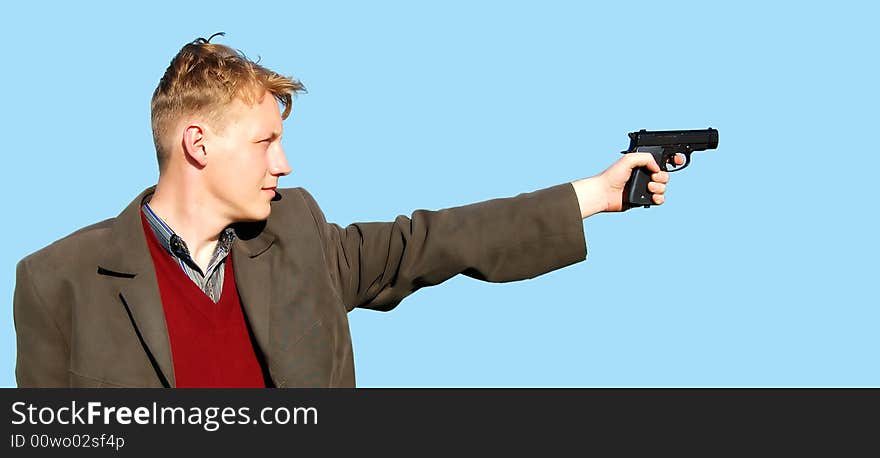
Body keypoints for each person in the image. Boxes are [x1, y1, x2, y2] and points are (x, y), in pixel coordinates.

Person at [13, 35, 677, 388]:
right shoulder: (58, 281)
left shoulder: (297, 235)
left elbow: (434, 241)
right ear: (198, 144)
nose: (285, 164)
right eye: (266, 142)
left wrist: (597, 194)